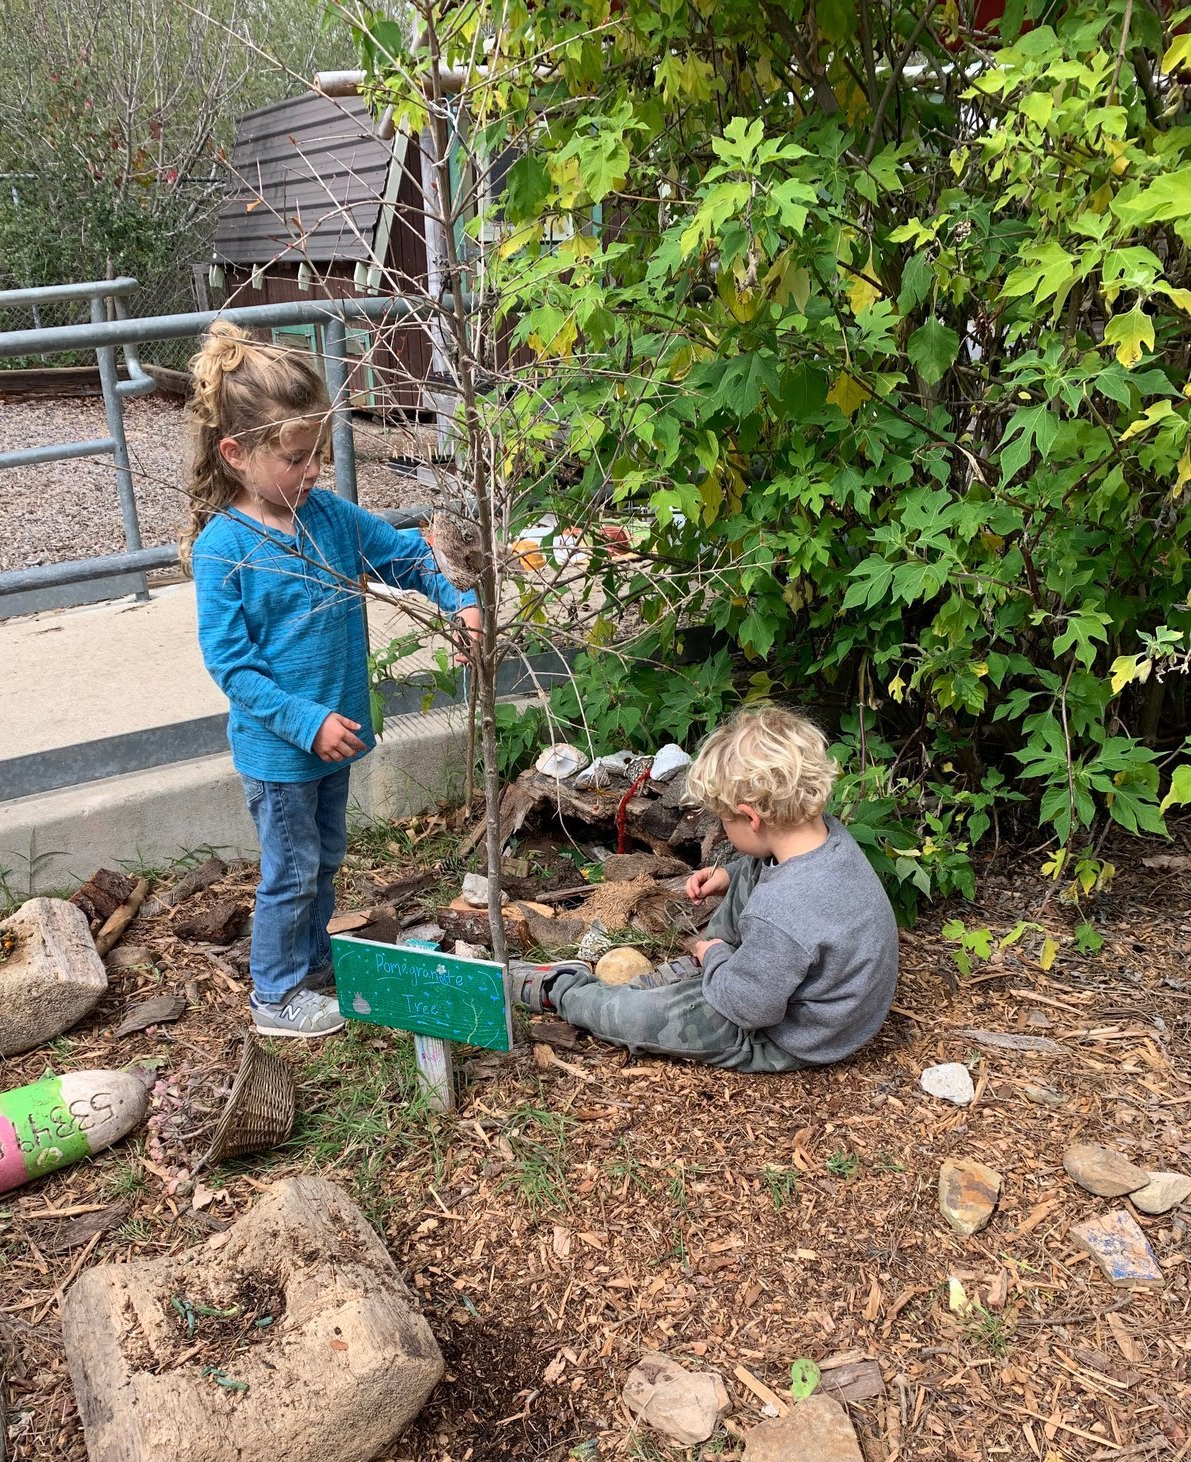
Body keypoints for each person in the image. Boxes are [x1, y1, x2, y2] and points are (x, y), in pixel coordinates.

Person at [184, 320, 481, 1038]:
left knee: (326, 859)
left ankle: (312, 962)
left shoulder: (329, 517)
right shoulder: (226, 550)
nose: (313, 468)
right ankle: (275, 995)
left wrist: (462, 602)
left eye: (318, 450)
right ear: (237, 454)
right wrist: (304, 721)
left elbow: (405, 558)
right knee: (290, 869)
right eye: (295, 456)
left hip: (335, 736)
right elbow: (233, 665)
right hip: (285, 751)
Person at [511, 705, 899, 1072]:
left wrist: (714, 956)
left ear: (750, 817)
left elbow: (749, 1010)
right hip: (837, 1007)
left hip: (790, 1035)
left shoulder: (783, 910)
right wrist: (729, 875)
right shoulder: (826, 837)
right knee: (754, 868)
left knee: (638, 1018)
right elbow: (769, 869)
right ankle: (712, 965)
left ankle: (561, 988)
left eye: (724, 820)